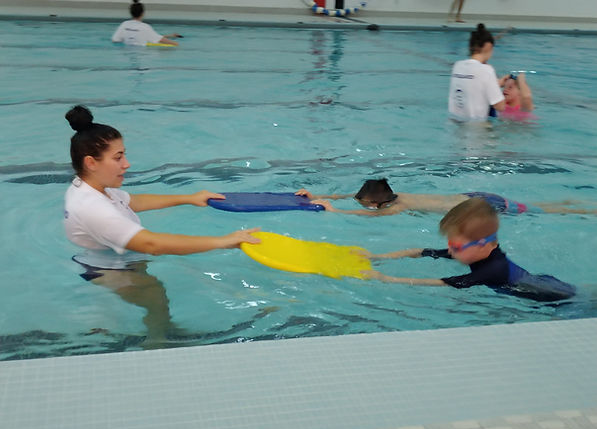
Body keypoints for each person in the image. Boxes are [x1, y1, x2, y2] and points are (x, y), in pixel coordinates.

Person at [64, 105, 260, 346]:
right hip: (108, 270)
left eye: (124, 155)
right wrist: (223, 241)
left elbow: (134, 201)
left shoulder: (93, 189)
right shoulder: (93, 207)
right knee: (152, 293)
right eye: (118, 158)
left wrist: (188, 198)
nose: (127, 164)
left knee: (155, 296)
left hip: (112, 261)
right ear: (91, 163)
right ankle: (157, 342)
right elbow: (152, 244)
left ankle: (162, 330)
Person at [364, 198, 576, 301]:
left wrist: (387, 279)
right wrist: (377, 257)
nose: (450, 250)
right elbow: (421, 251)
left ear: (482, 244)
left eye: (454, 246)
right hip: (542, 281)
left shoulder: (494, 269)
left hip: (550, 297)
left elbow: (447, 283)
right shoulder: (472, 250)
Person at [296, 178, 597, 216]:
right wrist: (318, 194)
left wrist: (333, 211)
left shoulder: (396, 207)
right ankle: (575, 205)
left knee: (545, 212)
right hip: (473, 194)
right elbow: (353, 195)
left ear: (377, 203)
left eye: (366, 203)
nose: (360, 203)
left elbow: (361, 213)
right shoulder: (393, 194)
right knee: (542, 207)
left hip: (480, 204)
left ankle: (584, 210)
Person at [448, 23, 505, 121]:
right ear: (488, 47)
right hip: (477, 128)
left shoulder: (457, 66)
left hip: (454, 124)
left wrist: (496, 84)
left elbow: (472, 84)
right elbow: (500, 106)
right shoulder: (487, 70)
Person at [111, 0, 181, 47]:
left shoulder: (124, 24)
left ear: (131, 13)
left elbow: (115, 40)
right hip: (143, 52)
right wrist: (176, 44)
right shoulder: (145, 27)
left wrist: (170, 36)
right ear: (143, 13)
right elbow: (159, 39)